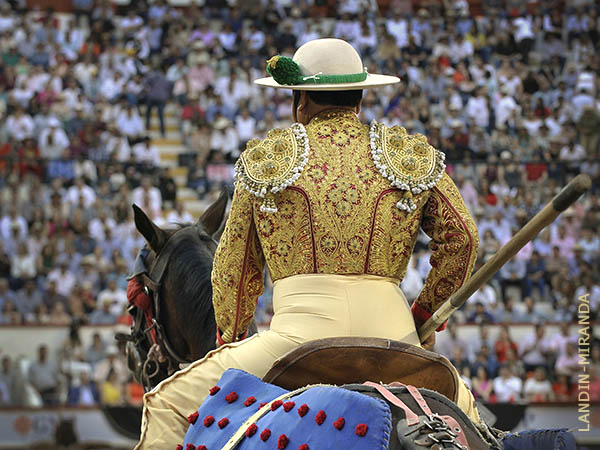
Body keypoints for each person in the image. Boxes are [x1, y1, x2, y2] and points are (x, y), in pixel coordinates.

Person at [135, 38, 481, 447]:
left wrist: (229, 341)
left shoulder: (270, 159)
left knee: (166, 404)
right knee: (475, 422)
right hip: (395, 339)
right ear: (361, 96)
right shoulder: (408, 154)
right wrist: (424, 315)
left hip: (298, 342)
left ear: (299, 101)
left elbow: (233, 268)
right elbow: (463, 237)